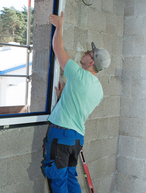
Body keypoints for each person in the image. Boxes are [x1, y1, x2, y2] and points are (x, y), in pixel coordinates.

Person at [42, 12, 111, 192]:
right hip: (76, 139)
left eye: (88, 53)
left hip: (61, 136)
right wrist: (66, 96)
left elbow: (58, 48)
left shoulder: (78, 75)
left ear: (91, 61)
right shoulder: (99, 90)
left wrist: (59, 25)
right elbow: (79, 104)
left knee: (58, 181)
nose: (85, 53)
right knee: (71, 179)